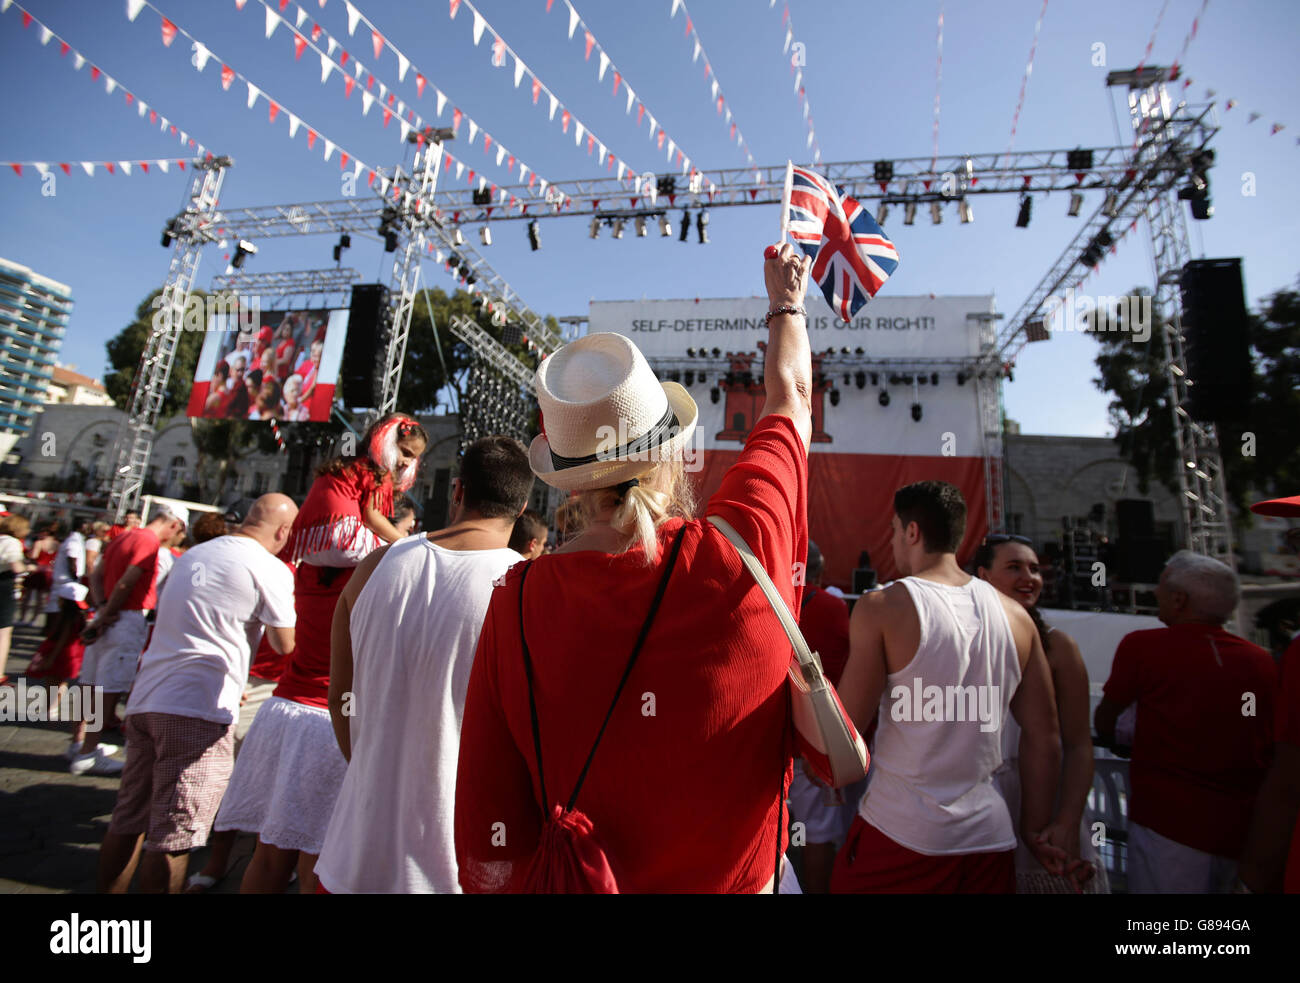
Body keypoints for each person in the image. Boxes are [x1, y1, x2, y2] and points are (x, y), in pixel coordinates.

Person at [454, 242, 813, 893]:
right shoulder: (745, 549)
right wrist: (786, 303)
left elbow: (488, 821)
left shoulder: (515, 603)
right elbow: (791, 398)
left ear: (567, 483)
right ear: (670, 453)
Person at [216, 413, 428, 894]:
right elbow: (351, 541)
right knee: (319, 863)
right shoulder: (368, 568)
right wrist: (404, 540)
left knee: (270, 858)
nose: (407, 467)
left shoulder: (312, 568)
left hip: (284, 715)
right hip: (326, 726)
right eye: (406, 455)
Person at [317, 436, 532, 894]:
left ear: (457, 491)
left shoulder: (374, 566)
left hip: (353, 853)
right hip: (455, 866)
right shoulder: (526, 592)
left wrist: (375, 768)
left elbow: (339, 698)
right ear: (523, 504)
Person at [831, 482, 1065, 894]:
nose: (891, 540)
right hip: (988, 835)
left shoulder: (881, 607)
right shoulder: (1018, 617)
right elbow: (1045, 737)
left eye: (893, 530)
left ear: (913, 532)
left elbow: (845, 728)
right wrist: (1034, 827)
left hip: (900, 829)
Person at [96, 494, 297, 894]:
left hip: (146, 699)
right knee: (173, 836)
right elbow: (284, 644)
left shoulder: (193, 555)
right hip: (196, 710)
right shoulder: (268, 567)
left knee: (128, 819)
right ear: (282, 531)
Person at [1095, 550, 1277, 893]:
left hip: (1168, 820)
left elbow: (1107, 718)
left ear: (1179, 599)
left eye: (1162, 588)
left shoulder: (1144, 647)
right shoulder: (1260, 661)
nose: (1155, 594)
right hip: (1242, 825)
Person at [975, 534, 1107, 893]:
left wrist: (1067, 818)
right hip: (979, 809)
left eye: (1034, 569)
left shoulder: (1059, 647)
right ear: (984, 576)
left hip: (1045, 804)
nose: (1029, 578)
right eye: (1014, 567)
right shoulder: (964, 642)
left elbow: (1079, 745)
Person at [72, 506, 188, 775]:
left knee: (89, 682)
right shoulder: (147, 541)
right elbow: (127, 582)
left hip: (110, 613)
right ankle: (88, 751)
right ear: (175, 526)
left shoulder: (124, 536)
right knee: (108, 689)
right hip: (124, 616)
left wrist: (102, 608)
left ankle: (79, 743)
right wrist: (108, 613)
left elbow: (97, 574)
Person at [785, 539, 854, 894]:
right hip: (816, 741)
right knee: (818, 833)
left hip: (771, 742)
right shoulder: (833, 608)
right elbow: (843, 677)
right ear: (820, 570)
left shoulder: (767, 602)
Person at [25, 582, 90, 723]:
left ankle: (50, 709)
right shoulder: (79, 616)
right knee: (59, 683)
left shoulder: (67, 618)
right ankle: (50, 708)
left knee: (54, 683)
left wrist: (51, 658)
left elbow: (62, 640)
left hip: (62, 655)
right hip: (70, 655)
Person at [0, 513, 32, 687]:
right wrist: (29, 567)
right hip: (3, 587)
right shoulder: (12, 543)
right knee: (3, 632)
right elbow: (16, 566)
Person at [21, 524, 59, 625]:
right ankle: (34, 619)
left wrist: (28, 553)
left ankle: (22, 618)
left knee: (27, 596)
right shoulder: (57, 544)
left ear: (45, 533)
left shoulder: (39, 543)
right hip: (49, 572)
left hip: (37, 570)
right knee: (41, 598)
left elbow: (33, 556)